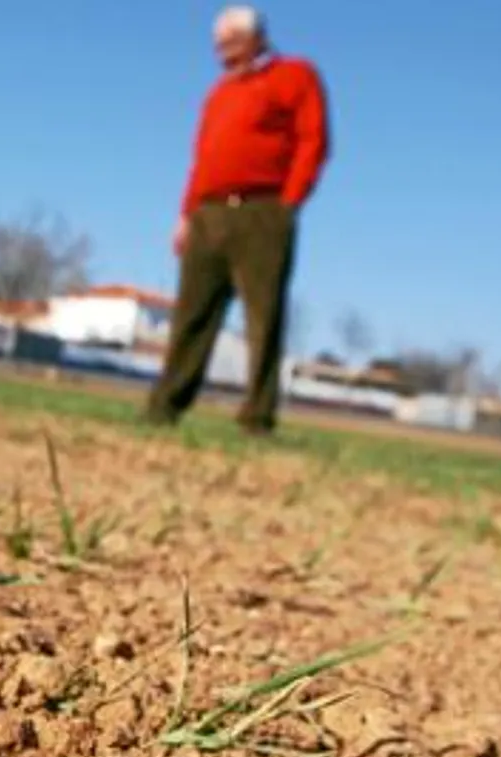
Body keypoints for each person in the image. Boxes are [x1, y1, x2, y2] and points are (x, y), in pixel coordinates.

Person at [145, 5, 330, 436]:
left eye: (230, 41)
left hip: (263, 211)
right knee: (191, 314)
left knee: (262, 316)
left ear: (255, 38)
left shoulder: (294, 75)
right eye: (217, 43)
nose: (221, 51)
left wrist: (289, 201)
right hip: (208, 214)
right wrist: (186, 215)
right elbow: (202, 159)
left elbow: (313, 138)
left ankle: (257, 417)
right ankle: (164, 406)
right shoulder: (219, 94)